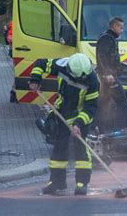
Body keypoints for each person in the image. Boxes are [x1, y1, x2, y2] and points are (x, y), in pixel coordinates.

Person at [29, 53, 99, 195]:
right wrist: (35, 79)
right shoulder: (63, 65)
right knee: (59, 147)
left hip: (80, 116)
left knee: (81, 148)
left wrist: (78, 124)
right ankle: (57, 183)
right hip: (61, 113)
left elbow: (90, 108)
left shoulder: (93, 81)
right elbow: (41, 62)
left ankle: (81, 184)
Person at [95, 17, 127, 133]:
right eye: (120, 27)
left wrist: (120, 65)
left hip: (108, 76)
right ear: (113, 27)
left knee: (104, 103)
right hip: (109, 78)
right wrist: (108, 73)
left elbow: (110, 57)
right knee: (122, 102)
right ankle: (118, 129)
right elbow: (101, 56)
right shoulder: (107, 38)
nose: (122, 30)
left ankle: (100, 128)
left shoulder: (111, 38)